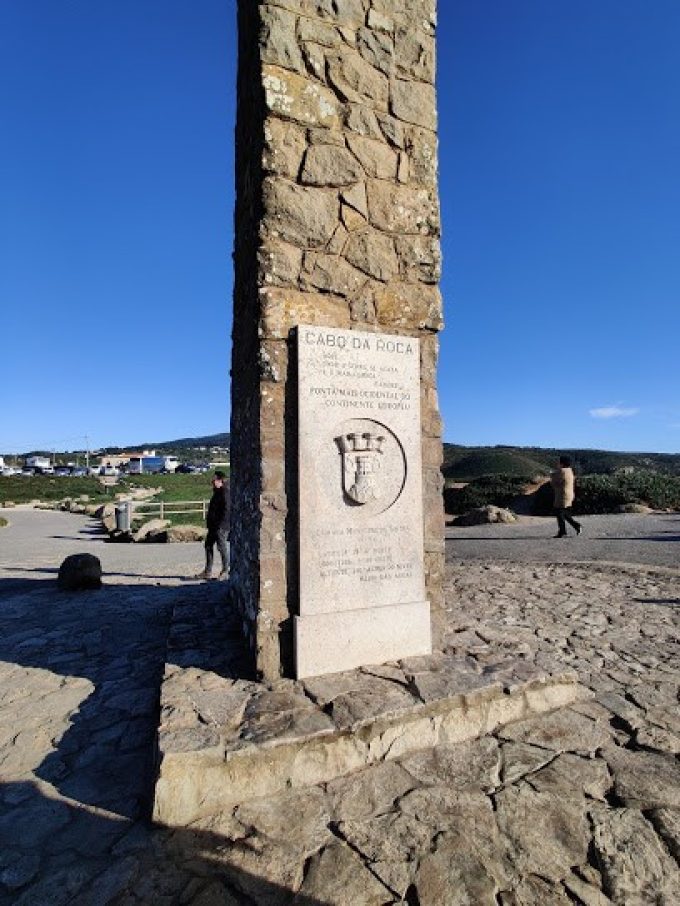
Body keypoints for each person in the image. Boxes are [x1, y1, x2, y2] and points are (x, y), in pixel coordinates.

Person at [196, 470, 230, 579]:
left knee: (222, 547)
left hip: (221, 526)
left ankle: (225, 570)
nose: (212, 481)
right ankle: (207, 571)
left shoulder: (225, 492)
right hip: (213, 526)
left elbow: (227, 510)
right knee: (208, 545)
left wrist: (221, 525)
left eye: (215, 479)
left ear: (220, 480)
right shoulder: (217, 492)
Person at [550, 455, 582, 538]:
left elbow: (555, 483)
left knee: (559, 512)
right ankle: (576, 526)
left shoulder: (562, 471)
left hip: (562, 495)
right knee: (564, 513)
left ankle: (563, 531)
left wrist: (552, 475)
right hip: (569, 494)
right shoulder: (569, 470)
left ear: (562, 463)